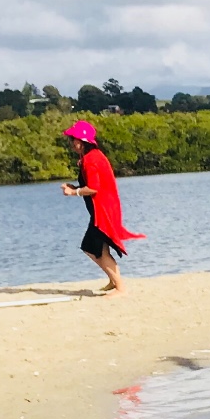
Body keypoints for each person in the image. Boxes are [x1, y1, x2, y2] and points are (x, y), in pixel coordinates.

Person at [60, 120, 143, 295]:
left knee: (93, 248)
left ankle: (120, 287)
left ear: (81, 142)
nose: (71, 143)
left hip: (103, 212)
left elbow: (94, 188)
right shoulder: (92, 157)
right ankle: (114, 282)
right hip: (103, 209)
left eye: (72, 139)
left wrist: (73, 193)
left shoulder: (91, 160)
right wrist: (75, 188)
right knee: (97, 248)